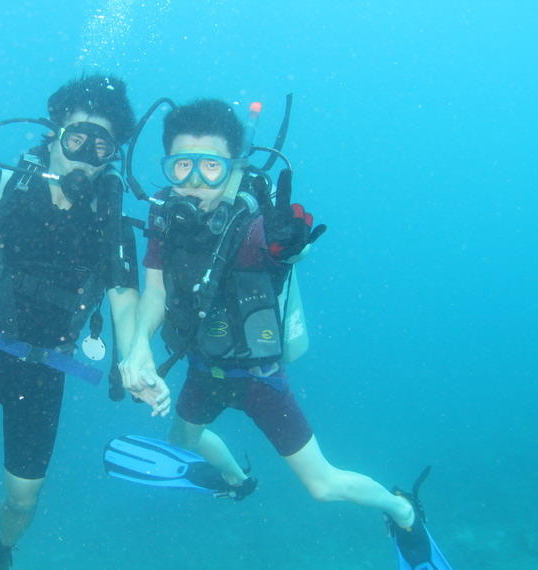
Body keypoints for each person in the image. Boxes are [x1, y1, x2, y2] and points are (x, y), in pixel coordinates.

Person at [117, 99, 450, 569]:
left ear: (234, 168)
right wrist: (138, 351)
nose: (194, 181)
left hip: (259, 380)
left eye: (211, 166)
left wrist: (288, 249)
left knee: (323, 486)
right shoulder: (164, 218)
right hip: (201, 369)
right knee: (183, 440)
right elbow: (154, 293)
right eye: (181, 165)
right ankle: (238, 481)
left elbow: (280, 250)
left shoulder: (257, 225)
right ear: (167, 166)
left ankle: (403, 510)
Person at [0, 74, 140, 570]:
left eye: (101, 146)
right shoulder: (3, 187)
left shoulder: (110, 221)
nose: (84, 155)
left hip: (46, 371)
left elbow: (124, 299)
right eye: (76, 139)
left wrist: (136, 355)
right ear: (53, 135)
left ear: (112, 155)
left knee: (23, 499)